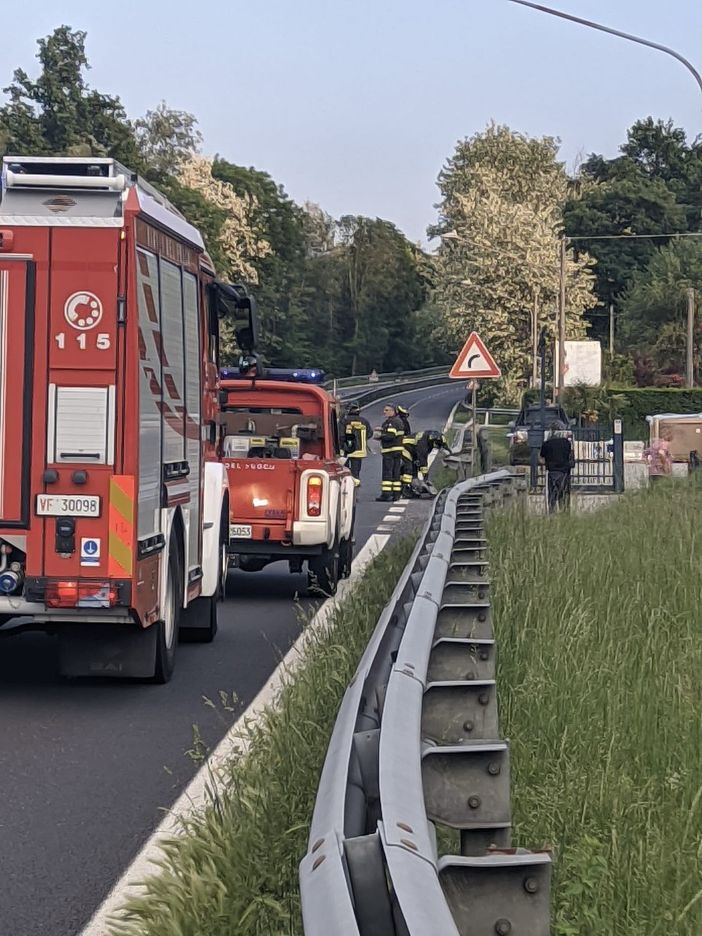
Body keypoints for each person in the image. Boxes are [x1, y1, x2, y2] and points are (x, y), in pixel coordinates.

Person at [402, 430, 449, 497]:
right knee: (409, 469)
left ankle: (414, 487)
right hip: (405, 448)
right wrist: (425, 477)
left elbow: (444, 446)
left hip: (413, 449)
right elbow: (422, 460)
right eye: (436, 445)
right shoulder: (423, 444)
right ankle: (406, 489)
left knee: (414, 469)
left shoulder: (435, 437)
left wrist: (448, 452)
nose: (436, 447)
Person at [540, 422, 574, 513]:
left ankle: (552, 513)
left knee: (552, 495)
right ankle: (565, 512)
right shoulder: (566, 443)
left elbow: (541, 459)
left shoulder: (547, 444)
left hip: (552, 471)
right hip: (564, 472)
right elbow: (570, 455)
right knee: (564, 493)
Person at [376, 403, 405, 501]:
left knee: (387, 473)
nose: (384, 412)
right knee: (396, 472)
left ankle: (386, 494)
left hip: (390, 451)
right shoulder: (399, 421)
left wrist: (380, 435)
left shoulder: (391, 422)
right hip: (397, 450)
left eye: (387, 410)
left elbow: (390, 435)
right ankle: (396, 494)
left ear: (393, 411)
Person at [340, 402, 371, 486]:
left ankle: (346, 486)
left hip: (346, 451)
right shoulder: (364, 421)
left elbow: (341, 435)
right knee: (356, 472)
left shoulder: (344, 421)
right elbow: (370, 434)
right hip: (359, 451)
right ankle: (355, 488)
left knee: (344, 470)